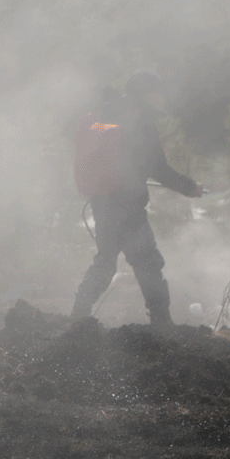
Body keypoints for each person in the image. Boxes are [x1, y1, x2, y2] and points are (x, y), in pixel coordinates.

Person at [70, 71, 202, 326]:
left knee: (105, 261)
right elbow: (159, 169)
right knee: (147, 262)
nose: (159, 96)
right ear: (146, 94)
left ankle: (78, 315)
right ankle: (162, 324)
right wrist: (190, 187)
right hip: (128, 205)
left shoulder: (106, 115)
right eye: (156, 91)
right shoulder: (141, 123)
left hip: (102, 202)